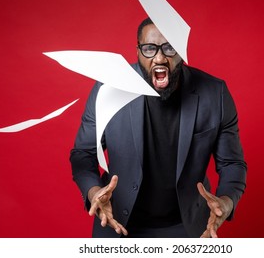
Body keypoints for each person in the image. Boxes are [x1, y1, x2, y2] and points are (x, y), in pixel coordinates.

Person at [70, 17, 247, 238]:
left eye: (170, 48)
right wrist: (94, 192)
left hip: (188, 227)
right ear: (137, 52)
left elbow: (232, 163)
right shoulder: (108, 90)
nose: (160, 58)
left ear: (181, 51)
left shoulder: (214, 94)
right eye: (149, 48)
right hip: (118, 221)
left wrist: (227, 202)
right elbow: (83, 154)